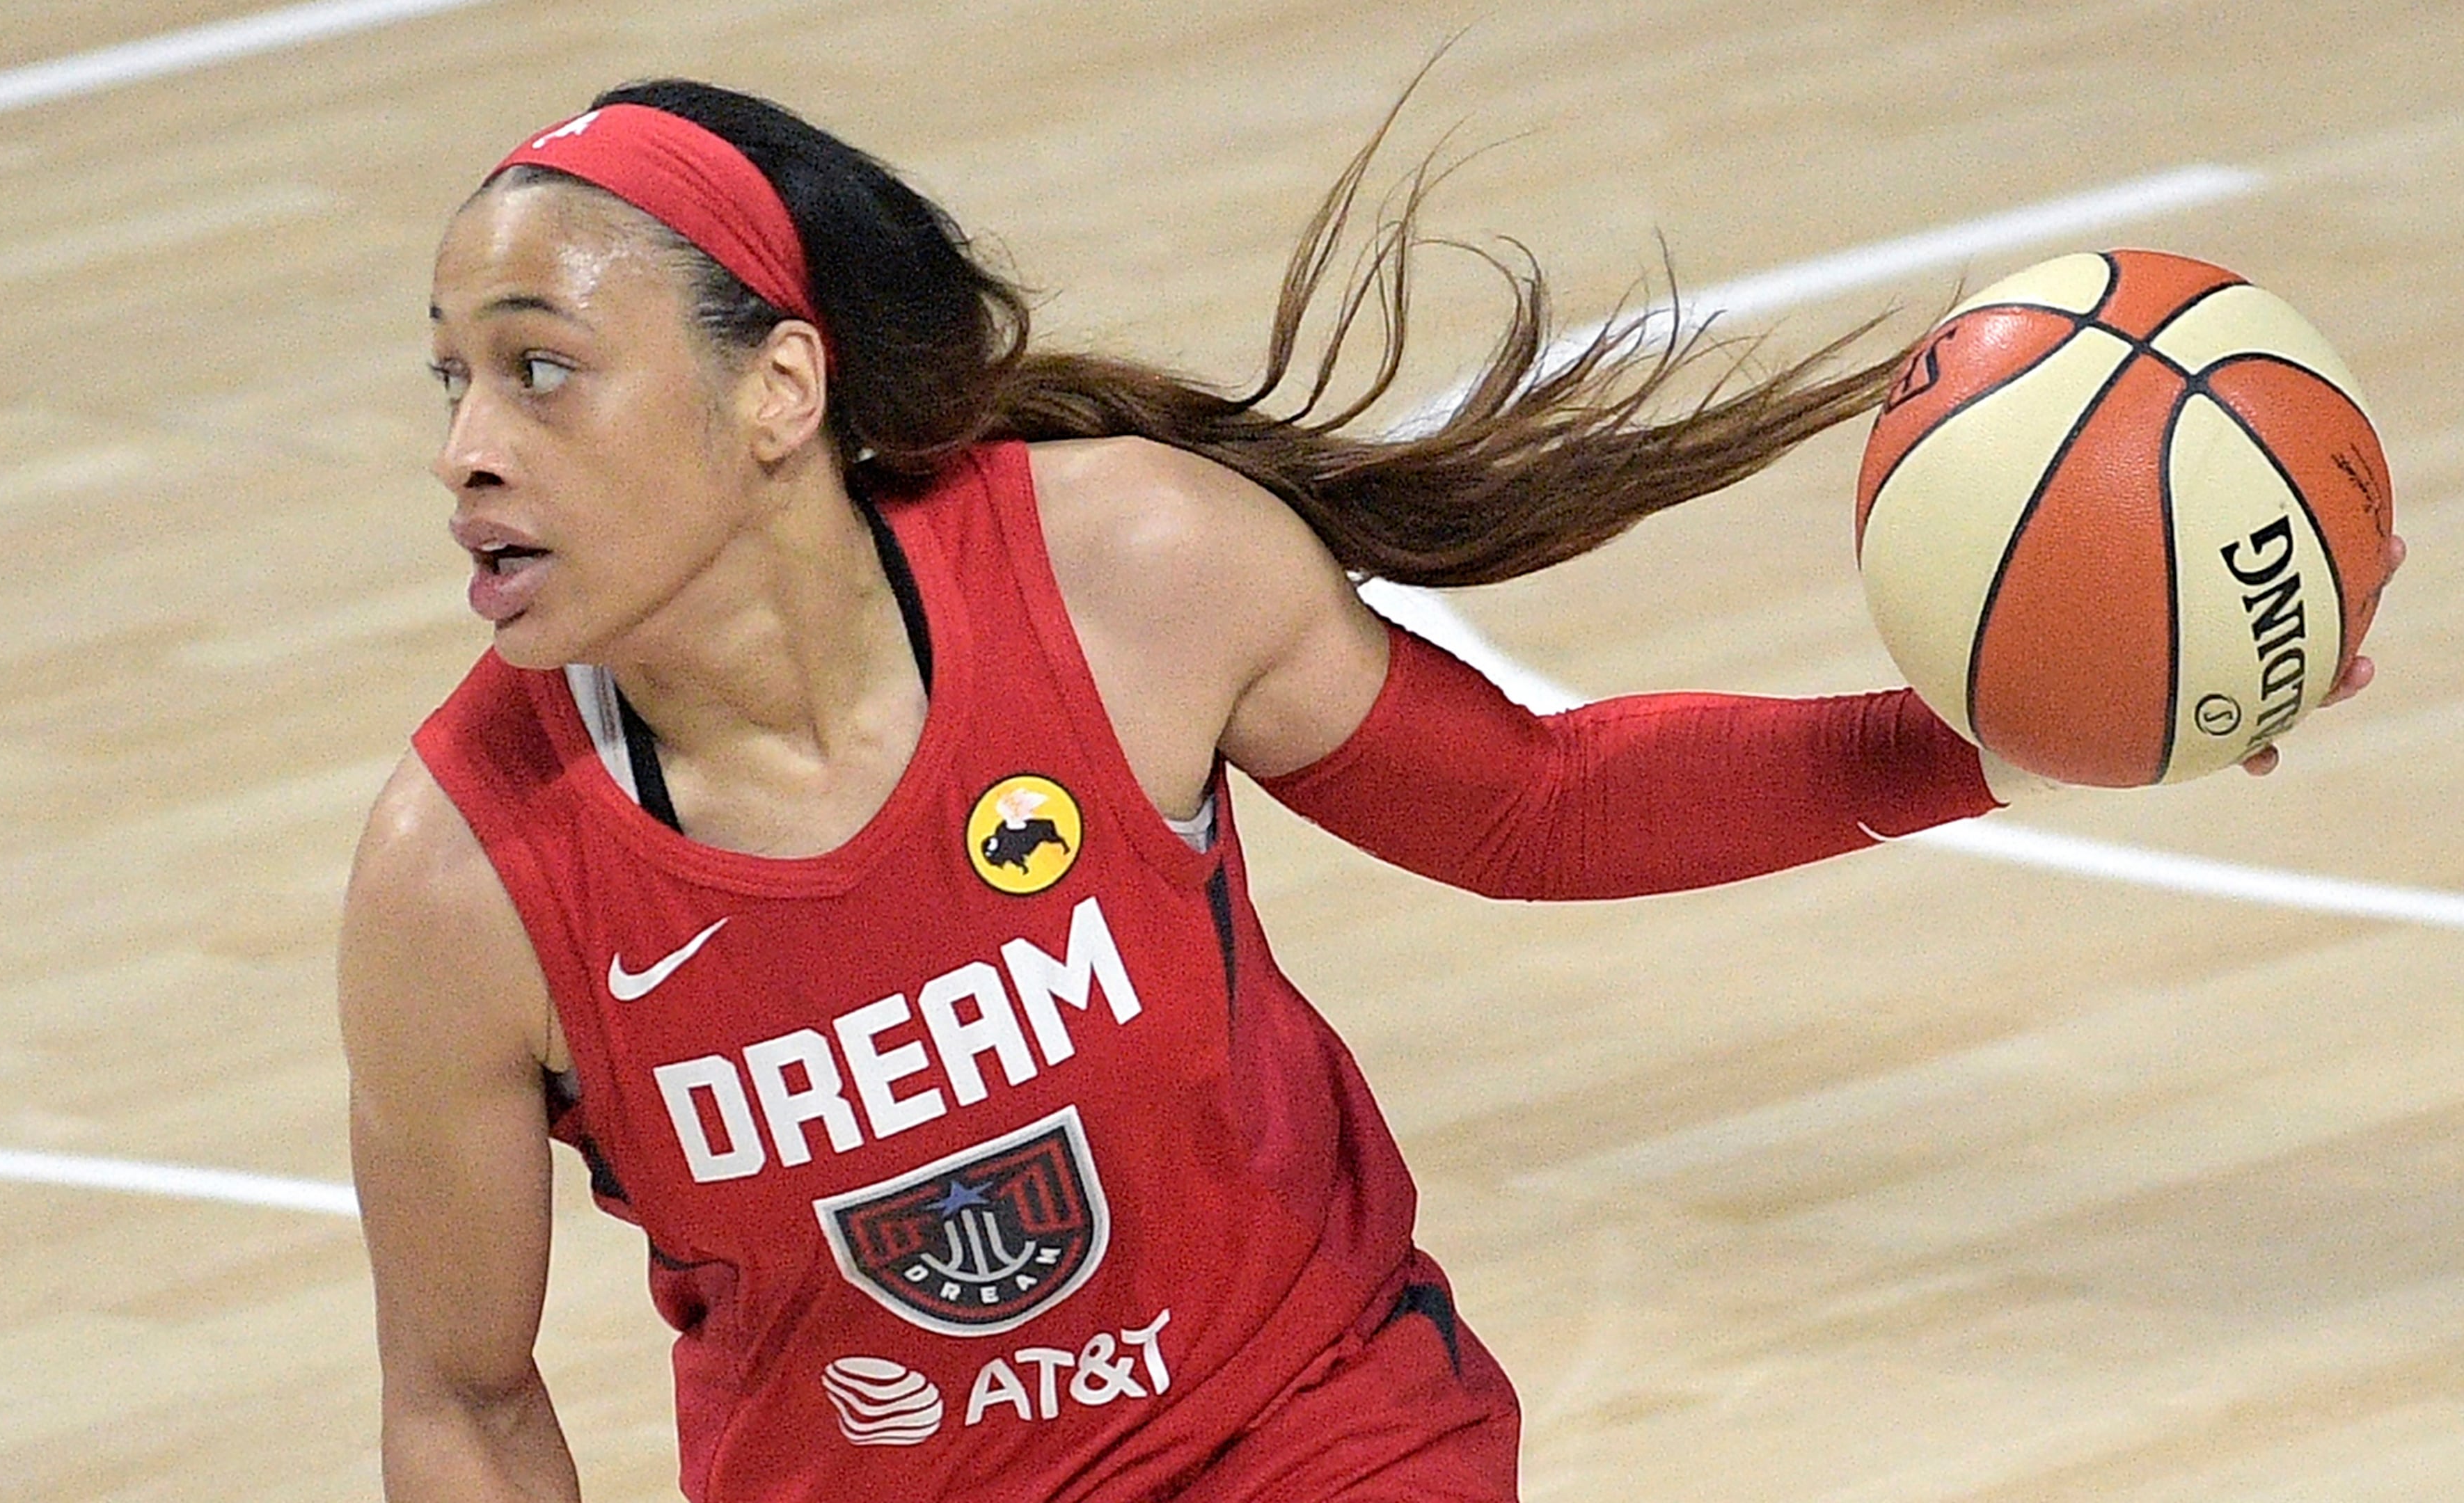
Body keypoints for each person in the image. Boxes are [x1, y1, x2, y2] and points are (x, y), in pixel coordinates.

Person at [338, 79, 2392, 1503]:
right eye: (449, 379)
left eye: (538, 368)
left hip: (1315, 1440)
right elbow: (460, 1391)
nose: (468, 447)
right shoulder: (464, 879)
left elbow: (1536, 809)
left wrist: (1994, 743)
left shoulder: (1124, 572)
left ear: (780, 389)